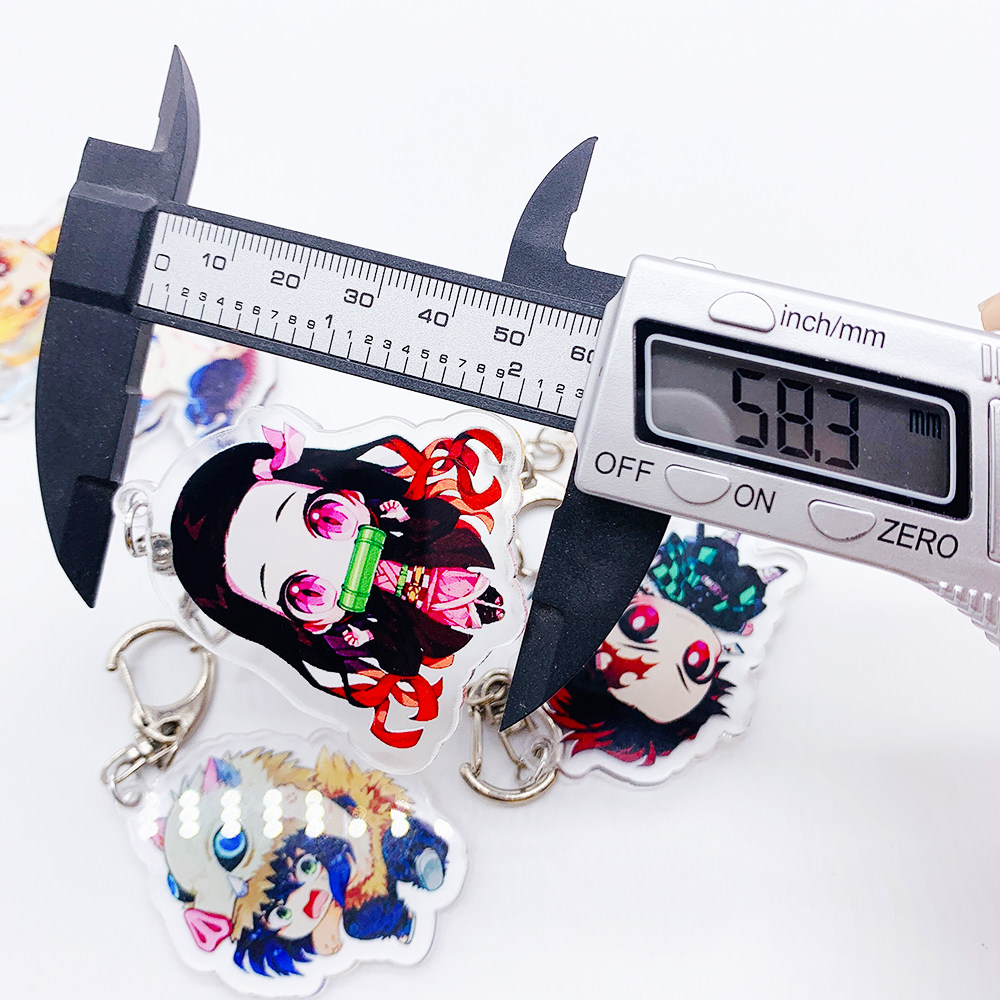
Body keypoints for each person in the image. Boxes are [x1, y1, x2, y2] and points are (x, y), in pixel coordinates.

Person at [169, 423, 508, 742]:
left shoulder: (425, 526)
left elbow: (438, 516)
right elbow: (400, 658)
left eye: (326, 518)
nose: (338, 562)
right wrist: (364, 637)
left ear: (348, 493)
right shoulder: (384, 631)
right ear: (309, 626)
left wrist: (400, 514)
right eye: (304, 593)